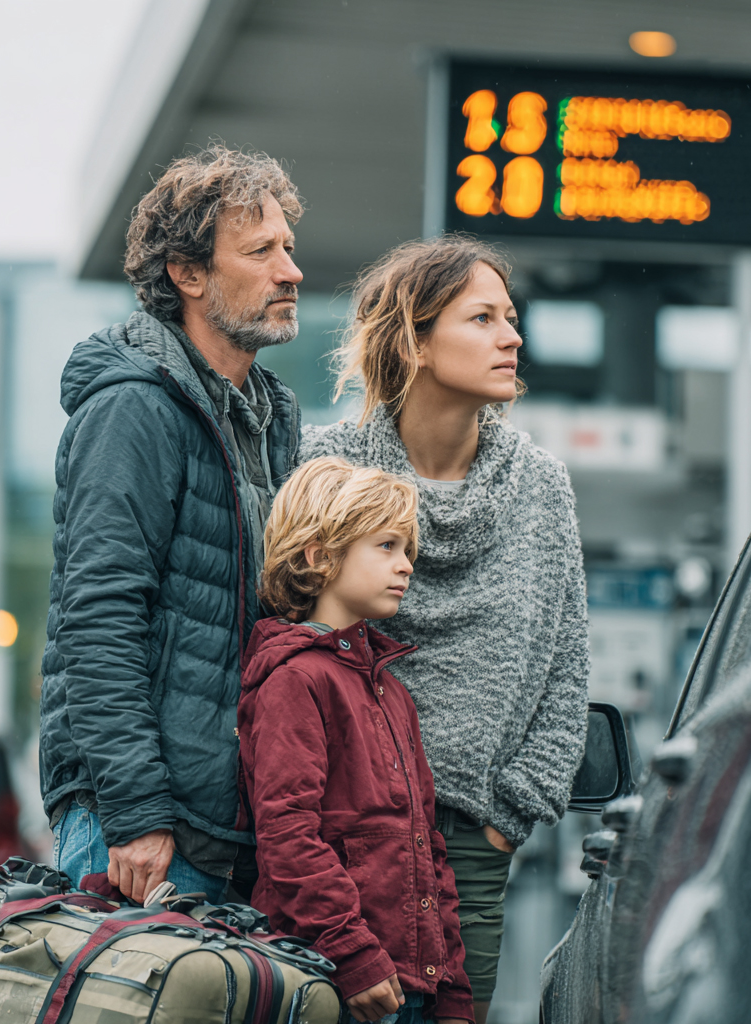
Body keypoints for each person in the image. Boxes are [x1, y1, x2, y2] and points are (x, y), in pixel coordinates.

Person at [297, 235, 590, 1019]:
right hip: (336, 846)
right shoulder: (325, 470)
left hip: (471, 846)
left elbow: (567, 670)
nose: (512, 338)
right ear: (414, 341)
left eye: (512, 317)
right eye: (483, 318)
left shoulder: (542, 487)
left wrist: (508, 817)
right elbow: (283, 645)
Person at [39, 144, 304, 904]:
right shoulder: (134, 407)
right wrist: (136, 814)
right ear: (187, 274)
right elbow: (97, 620)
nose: (289, 271)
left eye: (288, 247)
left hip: (233, 830)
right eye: (261, 252)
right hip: (146, 832)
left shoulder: (270, 414)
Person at [239, 456, 472, 1024]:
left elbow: (428, 848)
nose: (406, 566)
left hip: (414, 989)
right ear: (319, 556)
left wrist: (455, 994)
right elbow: (288, 834)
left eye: (407, 550)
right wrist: (353, 956)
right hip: (338, 983)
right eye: (387, 546)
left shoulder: (392, 692)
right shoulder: (295, 679)